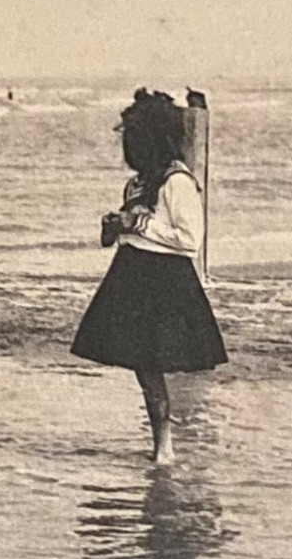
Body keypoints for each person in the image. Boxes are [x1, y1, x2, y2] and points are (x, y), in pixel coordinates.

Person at [71, 89, 228, 464]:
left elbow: (190, 241)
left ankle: (165, 446)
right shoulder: (138, 183)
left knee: (154, 365)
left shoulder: (178, 181)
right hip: (133, 275)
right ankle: (162, 444)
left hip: (164, 280)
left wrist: (142, 226)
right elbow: (127, 233)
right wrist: (116, 227)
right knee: (145, 369)